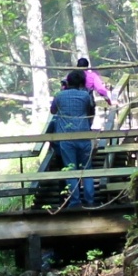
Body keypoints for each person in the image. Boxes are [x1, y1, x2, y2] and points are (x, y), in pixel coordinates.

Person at [50, 69, 98, 209]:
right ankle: (90, 200)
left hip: (65, 136)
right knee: (87, 168)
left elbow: (53, 111)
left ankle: (75, 201)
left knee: (70, 168)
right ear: (82, 82)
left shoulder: (59, 95)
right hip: (83, 135)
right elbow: (90, 111)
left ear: (68, 81)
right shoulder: (85, 96)